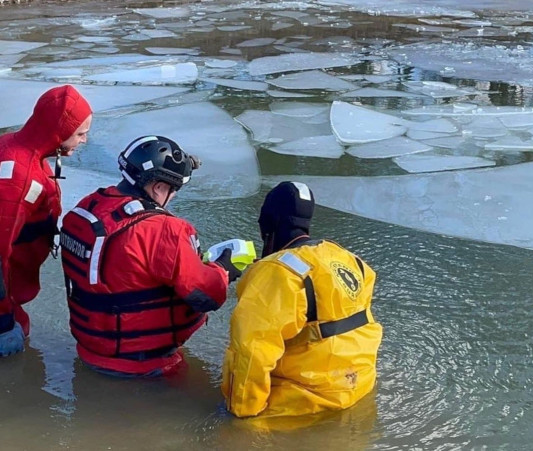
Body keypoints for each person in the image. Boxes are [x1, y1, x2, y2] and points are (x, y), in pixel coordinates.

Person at [60, 135, 241, 377]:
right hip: (146, 365)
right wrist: (223, 269)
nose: (173, 196)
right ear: (158, 187)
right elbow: (206, 296)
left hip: (90, 350)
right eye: (174, 189)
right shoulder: (165, 229)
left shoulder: (88, 206)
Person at [222, 181, 383, 419]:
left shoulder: (275, 272)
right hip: (359, 386)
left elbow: (251, 351)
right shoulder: (350, 259)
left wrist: (240, 416)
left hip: (302, 405)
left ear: (268, 223)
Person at [0, 84, 92, 357]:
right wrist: (4, 322)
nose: (85, 140)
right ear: (59, 132)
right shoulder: (19, 178)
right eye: (80, 134)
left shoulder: (19, 145)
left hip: (13, 283)